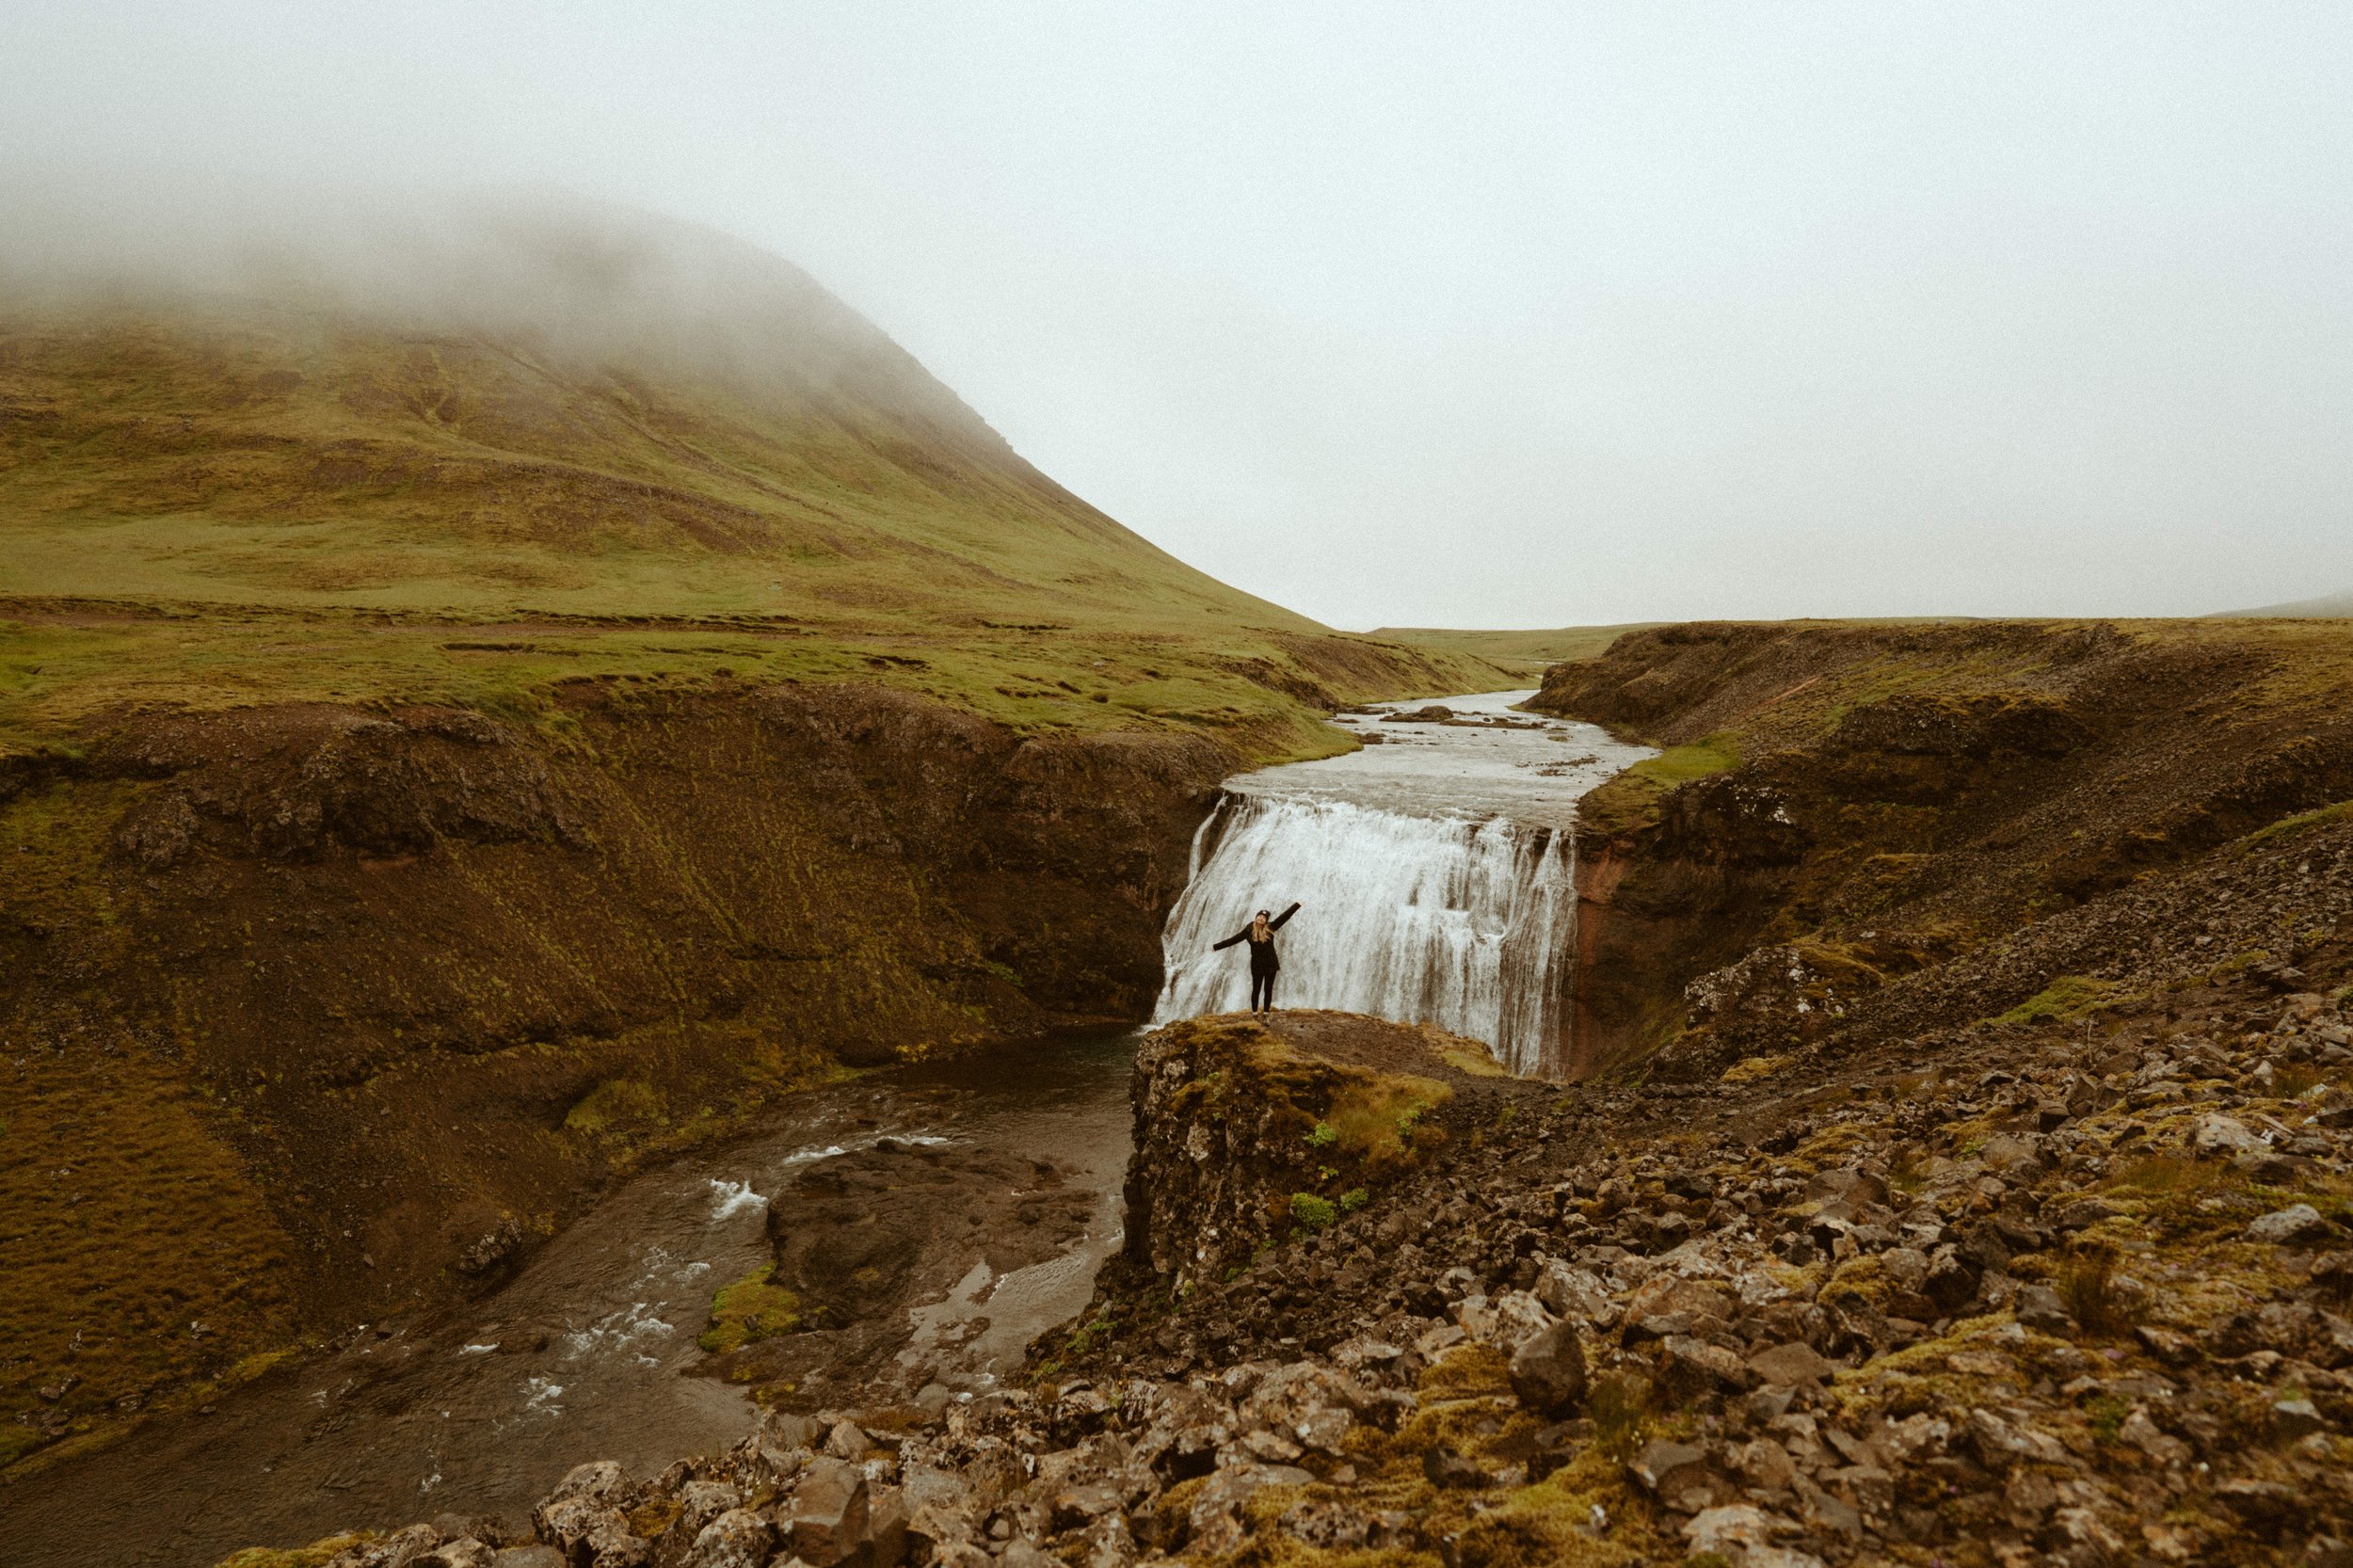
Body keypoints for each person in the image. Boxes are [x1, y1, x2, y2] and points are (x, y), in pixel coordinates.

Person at [1211, 902, 1301, 1018]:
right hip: (1257, 965)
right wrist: (1216, 947)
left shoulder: (1271, 927)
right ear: (1256, 917)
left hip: (1271, 965)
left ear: (1266, 920)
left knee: (1268, 989)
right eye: (1259, 916)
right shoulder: (1249, 929)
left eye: (1264, 917)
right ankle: (1254, 1014)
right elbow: (1234, 939)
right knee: (1256, 989)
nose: (1261, 918)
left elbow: (1285, 916)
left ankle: (1266, 1013)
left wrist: (1297, 905)